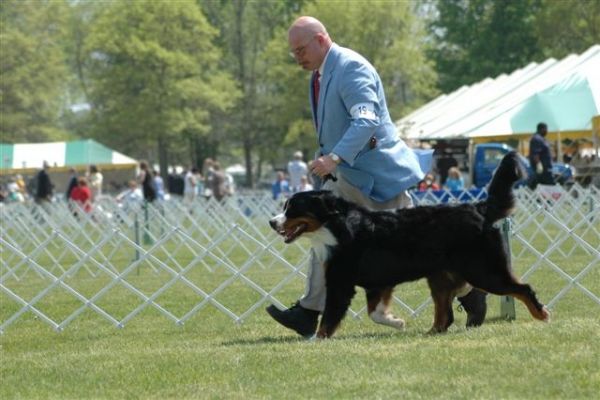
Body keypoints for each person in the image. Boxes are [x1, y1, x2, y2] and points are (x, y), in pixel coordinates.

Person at [266, 16, 488, 337]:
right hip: (347, 178)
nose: (297, 56)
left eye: (301, 49)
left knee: (423, 245)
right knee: (323, 235)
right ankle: (309, 310)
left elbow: (366, 120)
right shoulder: (320, 74)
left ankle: (470, 291)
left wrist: (335, 157)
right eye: (294, 52)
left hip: (378, 177)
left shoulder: (351, 68)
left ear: (321, 40)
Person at [528, 122, 555, 189]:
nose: (547, 131)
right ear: (542, 129)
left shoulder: (541, 139)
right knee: (548, 185)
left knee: (546, 186)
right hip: (543, 169)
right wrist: (538, 164)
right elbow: (535, 154)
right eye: (546, 129)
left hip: (546, 168)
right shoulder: (537, 139)